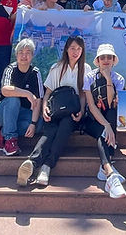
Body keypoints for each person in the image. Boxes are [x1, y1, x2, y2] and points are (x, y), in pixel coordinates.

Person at [17, 36, 91, 187]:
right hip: (56, 110)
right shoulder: (57, 67)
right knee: (50, 130)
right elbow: (48, 93)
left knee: (65, 125)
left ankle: (47, 166)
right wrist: (45, 108)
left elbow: (83, 95)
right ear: (66, 49)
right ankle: (31, 163)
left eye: (78, 49)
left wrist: (82, 111)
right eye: (72, 48)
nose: (75, 52)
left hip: (73, 113)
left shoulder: (86, 69)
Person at [79, 43, 126, 198]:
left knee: (111, 114)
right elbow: (91, 106)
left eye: (109, 57)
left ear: (113, 60)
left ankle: (106, 170)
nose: (106, 60)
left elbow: (111, 102)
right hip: (92, 120)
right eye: (103, 57)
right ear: (98, 61)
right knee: (104, 130)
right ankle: (110, 173)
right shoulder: (89, 77)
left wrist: (107, 78)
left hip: (108, 118)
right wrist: (107, 126)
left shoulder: (118, 79)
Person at [0, 38, 43, 157]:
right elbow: (5, 90)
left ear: (32, 55)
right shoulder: (10, 69)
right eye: (21, 52)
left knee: (38, 123)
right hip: (3, 112)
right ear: (16, 55)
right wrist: (27, 93)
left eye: (27, 53)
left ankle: (0, 132)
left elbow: (38, 100)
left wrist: (33, 123)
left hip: (21, 113)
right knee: (13, 100)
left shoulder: (35, 73)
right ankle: (10, 139)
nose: (24, 56)